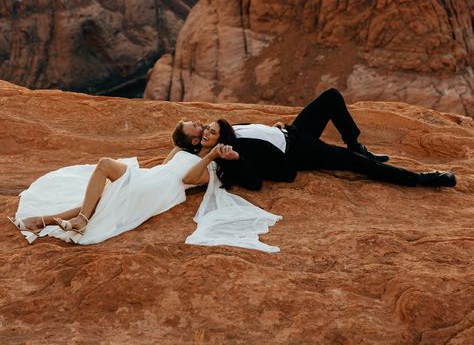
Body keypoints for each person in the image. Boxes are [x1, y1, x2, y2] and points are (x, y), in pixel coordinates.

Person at [8, 123, 281, 252]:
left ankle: (74, 218)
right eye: (204, 128)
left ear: (221, 140)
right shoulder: (188, 149)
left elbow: (188, 178)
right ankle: (47, 220)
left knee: (104, 168)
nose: (206, 131)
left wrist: (212, 155)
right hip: (153, 176)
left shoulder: (213, 168)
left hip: (162, 189)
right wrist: (186, 139)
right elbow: (169, 159)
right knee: (106, 196)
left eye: (212, 131)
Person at [173, 89, 457, 190]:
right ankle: (421, 179)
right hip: (299, 152)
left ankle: (355, 142)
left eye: (201, 124)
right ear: (198, 143)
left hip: (292, 132)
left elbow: (256, 132)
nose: (201, 125)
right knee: (354, 164)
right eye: (198, 130)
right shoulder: (226, 153)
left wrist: (276, 128)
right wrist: (232, 158)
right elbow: (254, 183)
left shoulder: (224, 130)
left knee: (331, 97)